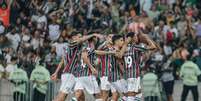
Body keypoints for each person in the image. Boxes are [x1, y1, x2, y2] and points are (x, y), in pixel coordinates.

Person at [51, 32, 101, 101]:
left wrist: (56, 72)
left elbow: (62, 61)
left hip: (75, 75)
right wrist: (93, 35)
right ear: (73, 38)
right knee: (61, 96)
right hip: (69, 73)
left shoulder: (78, 47)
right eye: (79, 37)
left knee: (81, 96)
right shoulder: (72, 45)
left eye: (81, 37)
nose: (81, 38)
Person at [116, 32, 158, 101]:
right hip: (134, 74)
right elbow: (153, 47)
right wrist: (147, 38)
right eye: (135, 36)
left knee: (138, 93)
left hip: (128, 74)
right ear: (132, 38)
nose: (137, 38)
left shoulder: (123, 48)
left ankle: (123, 99)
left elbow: (119, 61)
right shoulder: (135, 48)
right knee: (131, 95)